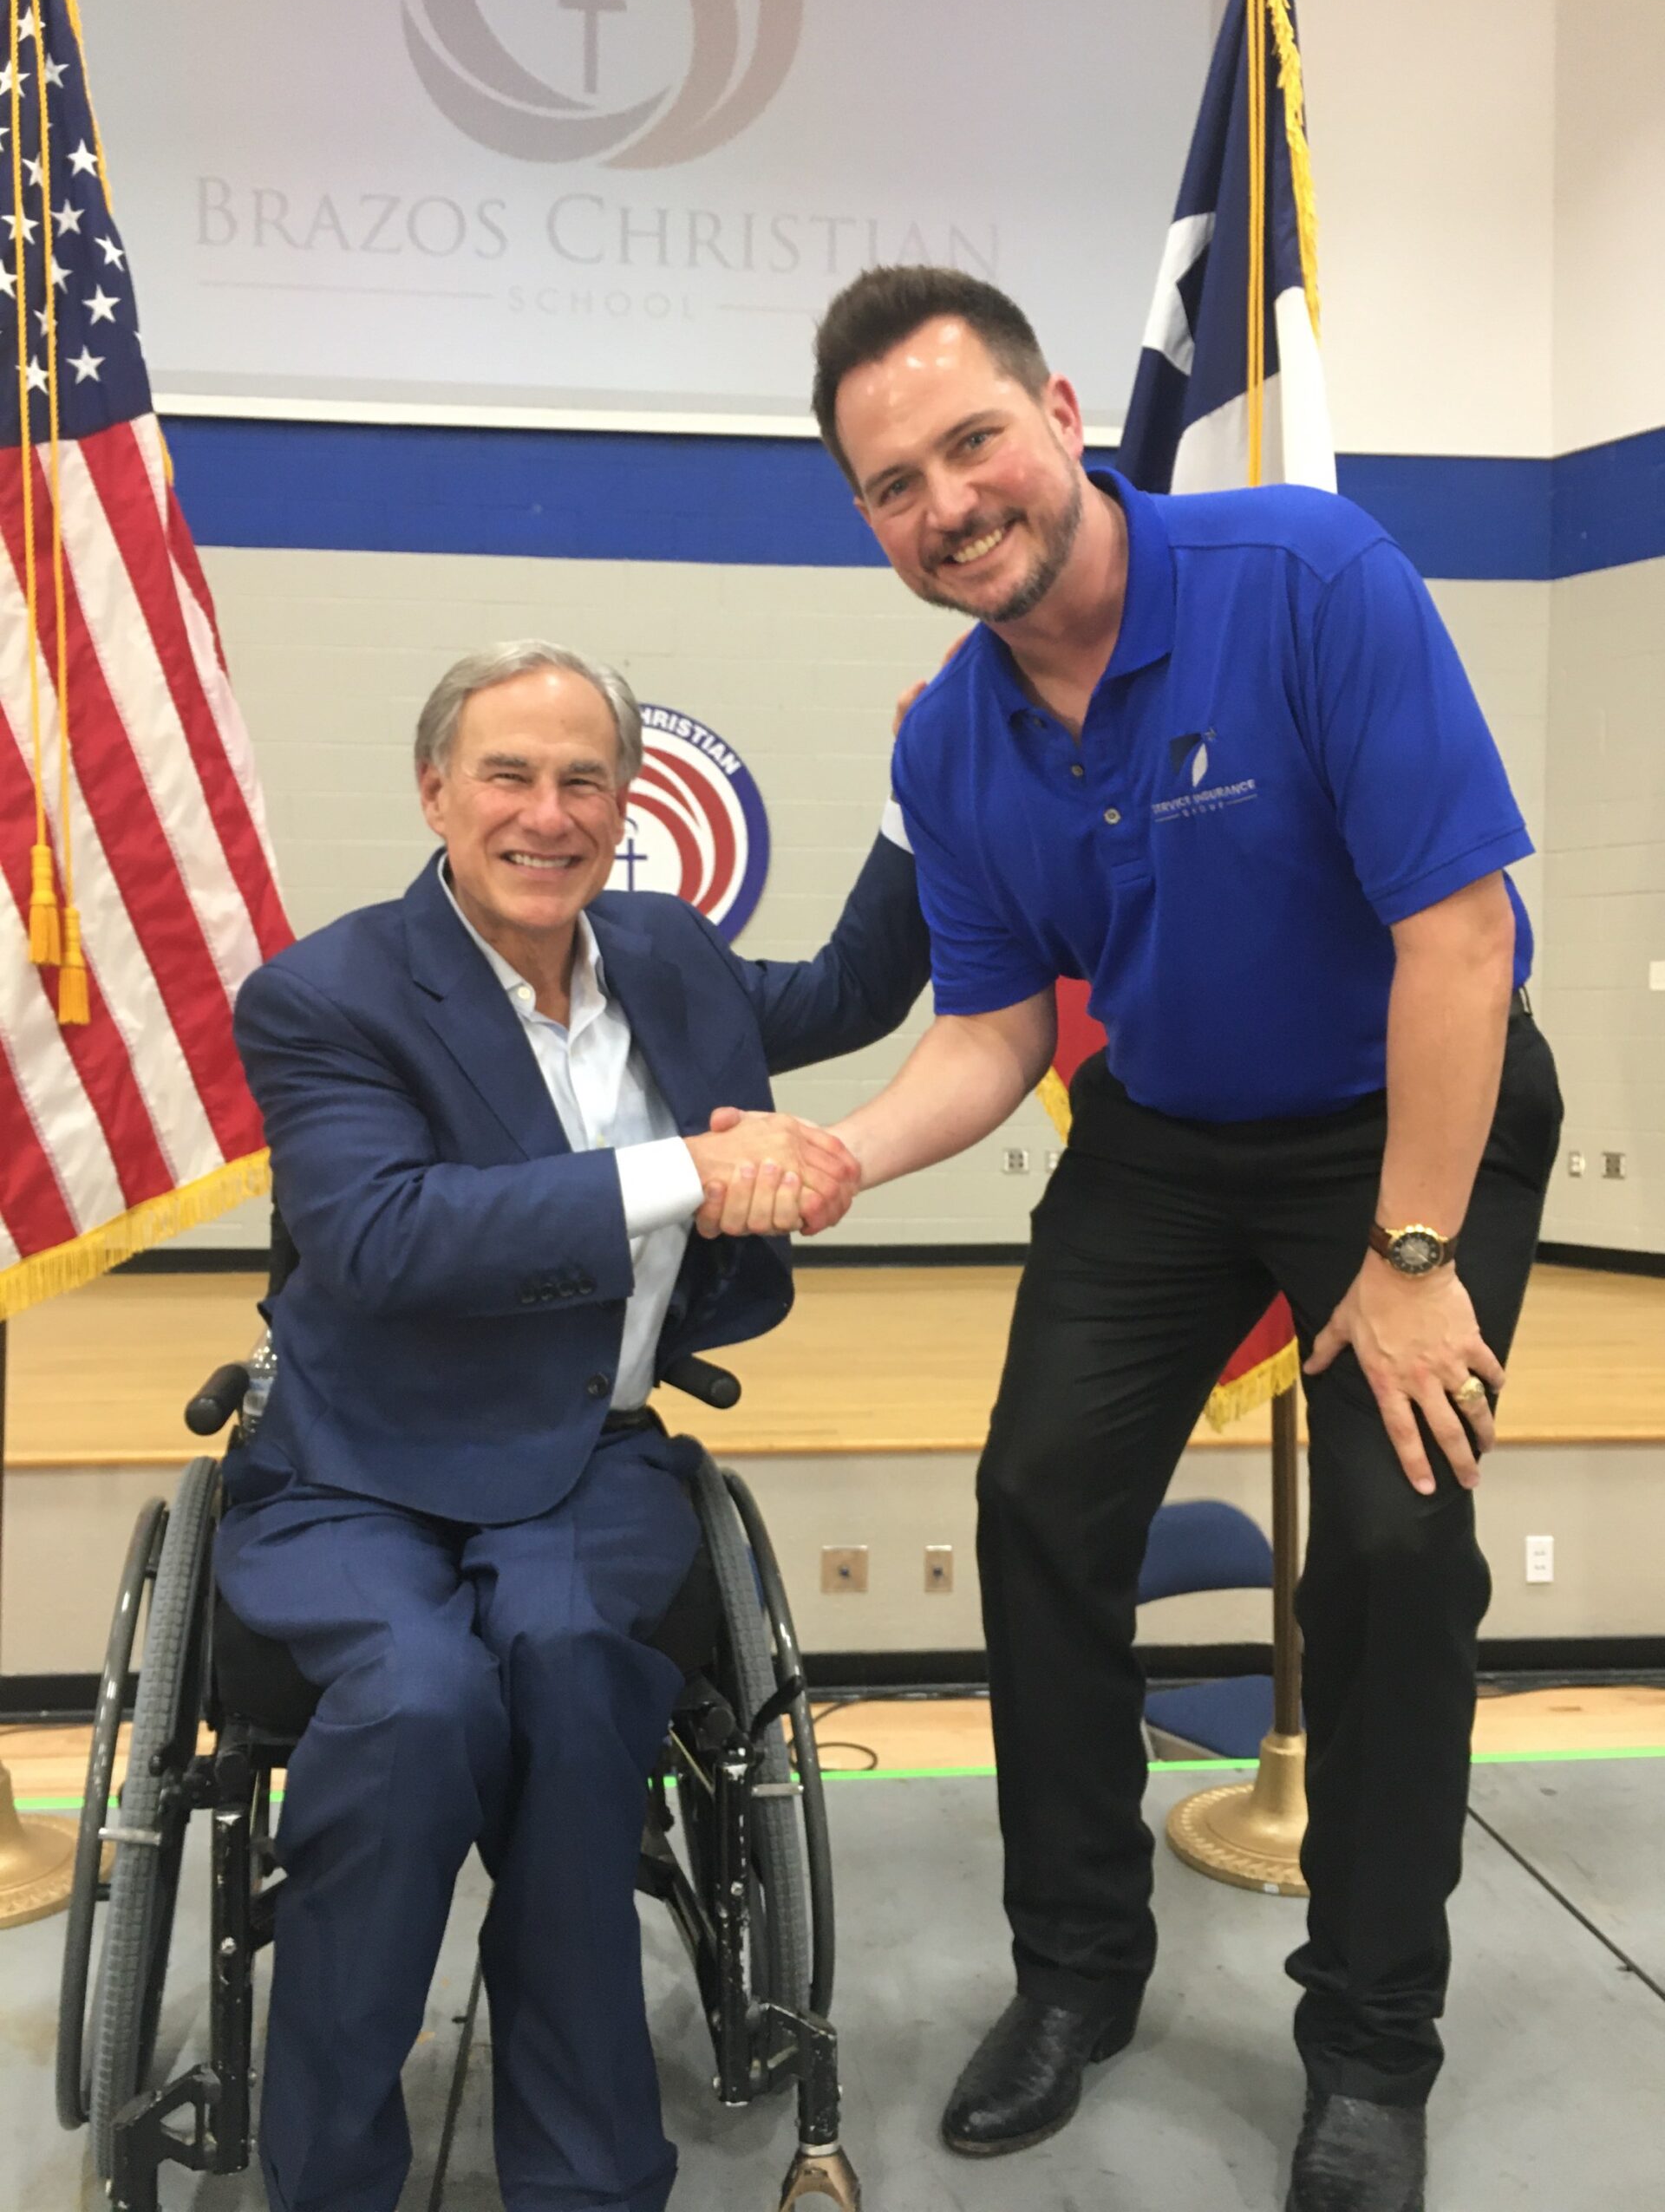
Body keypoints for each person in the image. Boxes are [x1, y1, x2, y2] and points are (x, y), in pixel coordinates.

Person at [771, 265, 1561, 2212]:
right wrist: (847, 1152)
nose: (948, 502)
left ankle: (1371, 2044)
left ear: (1055, 406)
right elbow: (995, 1028)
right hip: (1168, 1143)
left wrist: (1408, 1252)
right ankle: (1076, 1972)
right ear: (867, 520)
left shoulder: (1307, 574)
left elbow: (1459, 938)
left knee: (1390, 1547)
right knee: (1039, 1496)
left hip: (1411, 1115)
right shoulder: (953, 742)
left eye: (970, 441)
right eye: (894, 485)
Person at [218, 637, 930, 2212]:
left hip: (589, 1464)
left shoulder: (664, 956)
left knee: (569, 1681)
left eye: (584, 780)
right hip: (358, 1474)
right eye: (509, 777)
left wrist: (920, 788)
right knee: (414, 1710)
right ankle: (325, 2179)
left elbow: (851, 992)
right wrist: (687, 1171)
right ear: (436, 794)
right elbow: (385, 1236)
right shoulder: (326, 993)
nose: (549, 813)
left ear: (626, 801)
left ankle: (590, 2179)